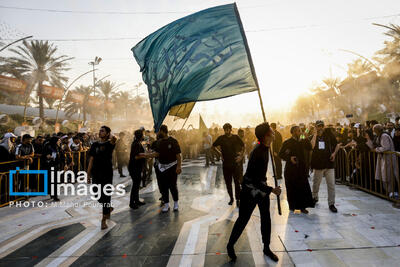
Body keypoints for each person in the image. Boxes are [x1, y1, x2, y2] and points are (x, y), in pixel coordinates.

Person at [227, 122, 281, 262]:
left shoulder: (266, 147)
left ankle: (266, 248)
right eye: (271, 130)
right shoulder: (257, 152)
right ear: (266, 136)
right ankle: (230, 245)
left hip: (261, 189)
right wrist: (272, 190)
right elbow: (254, 180)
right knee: (243, 219)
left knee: (266, 219)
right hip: (250, 190)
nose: (273, 132)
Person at [279, 125, 314, 213]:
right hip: (291, 170)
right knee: (292, 188)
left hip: (301, 169)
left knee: (303, 187)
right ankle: (293, 206)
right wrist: (289, 158)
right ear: (293, 132)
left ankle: (303, 207)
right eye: (298, 131)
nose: (300, 132)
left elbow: (310, 148)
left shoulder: (302, 141)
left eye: (300, 130)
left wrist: (306, 138)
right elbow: (281, 154)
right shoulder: (287, 142)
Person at [87, 126, 117, 229]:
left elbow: (114, 139)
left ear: (108, 133)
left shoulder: (110, 144)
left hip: (107, 173)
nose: (100, 132)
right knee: (96, 194)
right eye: (99, 130)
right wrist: (88, 174)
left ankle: (103, 220)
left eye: (102, 131)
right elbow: (91, 159)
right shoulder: (94, 144)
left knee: (106, 196)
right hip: (96, 173)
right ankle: (108, 209)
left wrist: (110, 135)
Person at [310, 120, 341, 213]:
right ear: (315, 127)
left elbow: (337, 145)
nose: (320, 128)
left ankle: (331, 203)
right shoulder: (313, 137)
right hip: (318, 164)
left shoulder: (328, 135)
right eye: (318, 126)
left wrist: (334, 154)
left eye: (321, 126)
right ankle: (315, 198)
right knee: (316, 184)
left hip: (329, 164)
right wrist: (315, 134)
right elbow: (311, 146)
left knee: (331, 184)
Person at [213, 123, 244, 207]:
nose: (227, 131)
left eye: (228, 129)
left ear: (231, 129)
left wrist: (241, 156)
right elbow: (213, 146)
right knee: (228, 183)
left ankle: (238, 199)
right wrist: (220, 154)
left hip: (235, 163)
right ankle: (231, 198)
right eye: (225, 129)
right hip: (226, 164)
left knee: (237, 183)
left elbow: (243, 145)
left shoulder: (236, 137)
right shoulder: (221, 138)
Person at [153, 125, 182, 212]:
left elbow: (178, 155)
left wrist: (179, 166)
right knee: (164, 187)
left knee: (173, 186)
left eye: (159, 131)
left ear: (162, 131)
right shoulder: (159, 142)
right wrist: (145, 155)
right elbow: (157, 154)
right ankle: (167, 204)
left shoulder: (173, 141)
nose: (158, 133)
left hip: (172, 167)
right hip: (162, 168)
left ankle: (176, 204)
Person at [128, 129, 154, 209]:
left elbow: (140, 154)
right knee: (135, 185)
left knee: (137, 184)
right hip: (134, 167)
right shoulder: (135, 144)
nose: (144, 136)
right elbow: (136, 156)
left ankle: (136, 200)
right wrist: (146, 155)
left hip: (137, 167)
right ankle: (132, 203)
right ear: (140, 135)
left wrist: (146, 154)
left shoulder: (138, 143)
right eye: (143, 134)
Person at [42, 136, 63, 201]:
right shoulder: (48, 146)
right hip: (49, 166)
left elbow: (62, 155)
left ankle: (54, 195)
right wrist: (47, 156)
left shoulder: (58, 147)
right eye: (58, 140)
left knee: (56, 181)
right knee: (51, 181)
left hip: (57, 166)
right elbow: (44, 155)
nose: (59, 142)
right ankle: (53, 194)